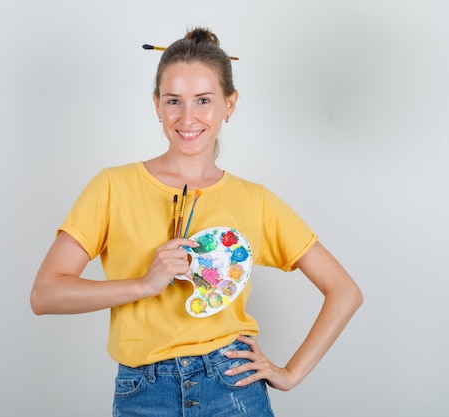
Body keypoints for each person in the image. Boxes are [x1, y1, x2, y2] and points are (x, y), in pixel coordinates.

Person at [30, 27, 363, 416]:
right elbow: (45, 294)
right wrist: (143, 284)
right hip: (144, 391)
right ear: (156, 104)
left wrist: (289, 373)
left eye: (203, 100)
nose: (188, 118)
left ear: (230, 104)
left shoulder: (254, 200)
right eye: (174, 101)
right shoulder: (112, 187)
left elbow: (344, 291)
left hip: (232, 385)